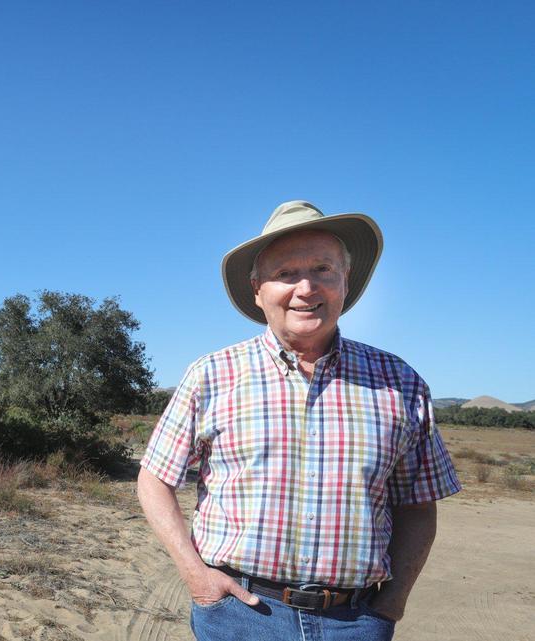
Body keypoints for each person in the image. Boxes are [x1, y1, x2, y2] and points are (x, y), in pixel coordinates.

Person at [136, 201, 461, 641]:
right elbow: (154, 480)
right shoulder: (211, 374)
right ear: (257, 290)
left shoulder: (400, 382)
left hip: (358, 620)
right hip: (238, 613)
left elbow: (419, 505)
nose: (306, 288)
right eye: (286, 273)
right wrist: (196, 576)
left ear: (345, 281)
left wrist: (393, 601)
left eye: (323, 269)